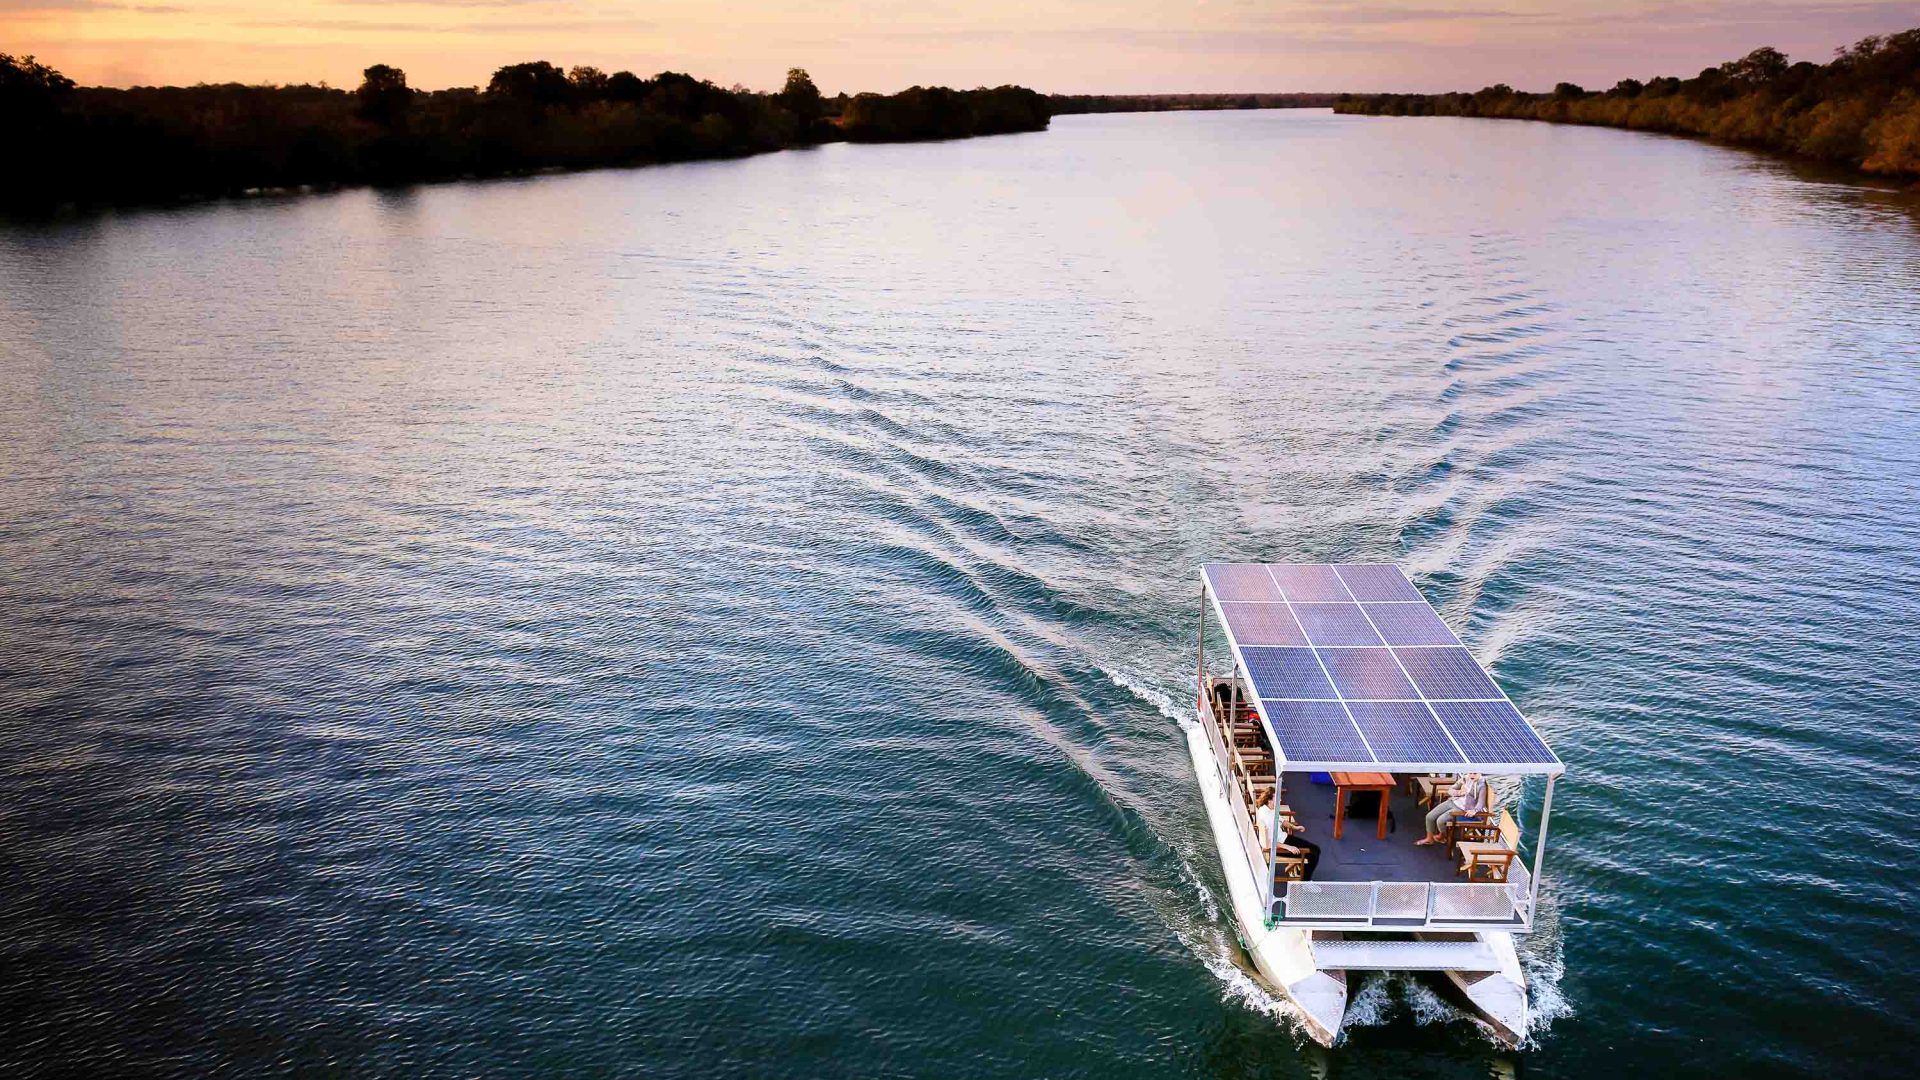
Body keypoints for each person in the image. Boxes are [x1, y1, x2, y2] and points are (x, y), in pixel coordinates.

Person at [1254, 787, 1320, 878]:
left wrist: (1295, 827)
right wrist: (1289, 847)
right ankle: (1305, 882)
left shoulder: (1268, 809)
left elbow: (1282, 821)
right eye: (1277, 798)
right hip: (1279, 847)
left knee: (1315, 849)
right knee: (1314, 854)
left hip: (1284, 838)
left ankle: (1301, 873)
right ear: (1269, 800)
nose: (1280, 800)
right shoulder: (1266, 817)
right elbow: (1270, 842)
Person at [1415, 772, 1493, 846]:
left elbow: (1481, 802)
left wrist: (1475, 810)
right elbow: (1450, 790)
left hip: (1463, 808)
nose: (1472, 775)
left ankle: (1443, 835)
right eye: (1470, 773)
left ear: (1479, 774)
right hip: (1453, 801)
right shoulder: (1465, 779)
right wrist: (1458, 792)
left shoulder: (1481, 786)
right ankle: (1429, 838)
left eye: (1475, 773)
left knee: (1440, 821)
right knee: (1430, 816)